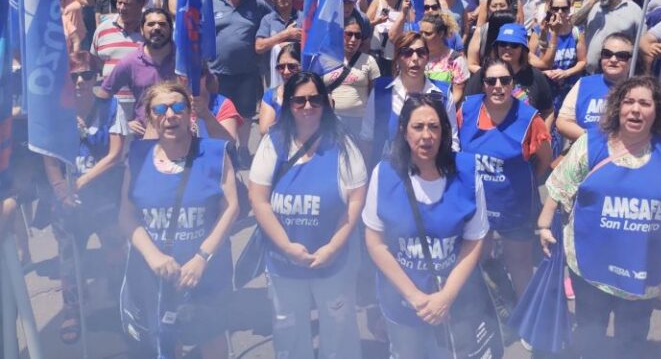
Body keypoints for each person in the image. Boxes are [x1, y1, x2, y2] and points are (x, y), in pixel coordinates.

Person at [539, 76, 661, 359]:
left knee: (632, 341)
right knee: (590, 335)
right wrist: (544, 225)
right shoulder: (591, 144)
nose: (635, 110)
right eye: (628, 102)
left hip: (642, 273)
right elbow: (559, 187)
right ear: (617, 107)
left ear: (657, 111)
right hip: (590, 268)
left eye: (644, 103)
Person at [249, 72, 366, 359]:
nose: (307, 107)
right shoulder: (273, 142)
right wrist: (287, 248)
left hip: (333, 261)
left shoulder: (343, 144)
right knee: (288, 329)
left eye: (315, 99)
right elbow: (258, 199)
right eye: (299, 100)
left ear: (326, 103)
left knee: (338, 329)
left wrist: (331, 248)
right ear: (288, 104)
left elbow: (355, 203)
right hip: (283, 262)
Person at [362, 95, 489, 358]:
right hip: (401, 303)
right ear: (403, 131)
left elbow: (474, 240)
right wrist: (414, 297)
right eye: (417, 127)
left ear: (444, 131)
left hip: (454, 304)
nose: (426, 135)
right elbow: (375, 242)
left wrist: (446, 297)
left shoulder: (467, 171)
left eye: (434, 127)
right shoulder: (384, 173)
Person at [119, 82, 239, 357]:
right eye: (160, 109)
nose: (169, 115)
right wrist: (154, 257)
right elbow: (126, 216)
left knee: (211, 337)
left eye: (178, 107)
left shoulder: (215, 151)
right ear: (150, 117)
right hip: (156, 272)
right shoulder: (137, 156)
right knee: (164, 338)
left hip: (207, 269)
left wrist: (201, 258)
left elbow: (231, 208)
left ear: (190, 114)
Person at [47, 51, 128, 343]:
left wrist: (82, 181)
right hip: (68, 202)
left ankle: (122, 304)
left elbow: (116, 153)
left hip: (105, 197)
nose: (80, 81)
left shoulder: (111, 106)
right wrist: (60, 188)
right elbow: (49, 155)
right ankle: (72, 310)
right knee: (70, 259)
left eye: (86, 75)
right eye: (73, 76)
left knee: (116, 252)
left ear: (97, 76)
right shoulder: (56, 110)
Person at [458, 58, 551, 296]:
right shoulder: (467, 110)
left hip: (514, 204)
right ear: (483, 85)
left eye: (504, 80)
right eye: (491, 81)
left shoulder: (530, 118)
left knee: (519, 263)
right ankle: (490, 317)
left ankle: (526, 322)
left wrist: (524, 181)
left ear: (512, 83)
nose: (498, 86)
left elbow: (543, 160)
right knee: (478, 259)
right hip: (476, 204)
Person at [360, 32, 459, 167]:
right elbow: (366, 138)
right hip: (388, 175)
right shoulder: (380, 91)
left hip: (430, 177)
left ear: (427, 57)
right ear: (398, 58)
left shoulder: (443, 94)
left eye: (421, 52)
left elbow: (452, 143)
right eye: (407, 52)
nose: (414, 58)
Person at [211, 0, 273, 153]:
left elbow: (273, 20)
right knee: (220, 112)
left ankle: (244, 149)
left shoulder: (257, 4)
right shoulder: (212, 1)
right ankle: (225, 149)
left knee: (246, 113)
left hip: (247, 71)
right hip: (217, 71)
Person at [98, 8, 176, 134]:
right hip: (145, 137)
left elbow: (207, 90)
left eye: (162, 24)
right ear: (141, 30)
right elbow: (104, 93)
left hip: (180, 135)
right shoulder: (130, 62)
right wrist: (123, 122)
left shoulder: (184, 59)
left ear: (171, 29)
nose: (156, 28)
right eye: (150, 24)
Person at [464, 23, 555, 130]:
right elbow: (467, 108)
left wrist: (543, 137)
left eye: (514, 45)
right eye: (503, 44)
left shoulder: (535, 76)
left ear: (523, 49)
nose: (507, 48)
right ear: (496, 47)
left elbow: (548, 111)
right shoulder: (483, 74)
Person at [556, 33, 633, 144]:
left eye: (621, 56)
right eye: (607, 54)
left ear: (631, 60)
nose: (613, 59)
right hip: (584, 150)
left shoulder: (639, 89)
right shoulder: (584, 84)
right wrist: (592, 140)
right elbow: (563, 122)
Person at [572, 0, 643, 74]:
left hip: (619, 72)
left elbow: (642, 42)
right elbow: (575, 21)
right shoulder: (592, 4)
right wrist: (591, 2)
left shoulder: (633, 9)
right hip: (592, 71)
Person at [529, 0, 586, 113]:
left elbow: (582, 61)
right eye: (556, 9)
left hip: (568, 89)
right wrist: (546, 72)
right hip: (545, 87)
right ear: (550, 10)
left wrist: (566, 73)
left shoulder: (576, 32)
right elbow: (529, 60)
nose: (560, 12)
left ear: (569, 9)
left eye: (564, 9)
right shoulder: (539, 31)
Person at [322, 17, 380, 133]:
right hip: (331, 120)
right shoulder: (325, 60)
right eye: (348, 34)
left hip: (359, 121)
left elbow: (375, 94)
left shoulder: (369, 60)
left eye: (357, 36)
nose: (353, 39)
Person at [419, 13, 470, 104]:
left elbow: (457, 93)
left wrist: (441, 109)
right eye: (421, 32)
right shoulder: (416, 56)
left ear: (441, 34)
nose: (422, 37)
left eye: (428, 33)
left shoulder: (456, 60)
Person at [367, 0, 407, 76]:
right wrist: (377, 21)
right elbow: (364, 24)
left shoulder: (404, 4)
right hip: (376, 51)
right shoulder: (377, 1)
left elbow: (411, 25)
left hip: (395, 54)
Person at [259, 43, 302, 135]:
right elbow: (265, 130)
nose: (286, 72)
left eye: (292, 67)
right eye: (281, 67)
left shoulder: (318, 94)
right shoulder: (271, 96)